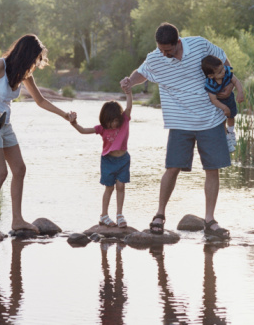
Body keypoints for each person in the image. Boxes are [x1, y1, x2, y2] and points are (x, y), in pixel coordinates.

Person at [120, 22, 231, 239]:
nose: (164, 54)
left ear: (178, 42)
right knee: (172, 168)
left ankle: (209, 220)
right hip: (180, 122)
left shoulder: (199, 45)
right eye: (161, 49)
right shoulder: (155, 57)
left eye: (168, 50)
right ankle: (160, 215)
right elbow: (142, 72)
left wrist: (228, 83)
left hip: (210, 118)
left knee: (212, 169)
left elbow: (222, 58)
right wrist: (129, 81)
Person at [0, 34, 74, 239]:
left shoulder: (24, 74)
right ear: (25, 54)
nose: (35, 64)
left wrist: (66, 116)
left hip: (5, 125)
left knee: (19, 168)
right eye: (35, 59)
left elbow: (41, 101)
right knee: (0, 173)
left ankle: (17, 220)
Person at [68, 89, 133, 228]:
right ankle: (104, 215)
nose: (113, 124)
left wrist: (128, 92)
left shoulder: (124, 121)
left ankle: (120, 215)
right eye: (110, 121)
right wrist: (74, 123)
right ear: (104, 120)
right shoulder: (102, 128)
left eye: (115, 121)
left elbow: (128, 107)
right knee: (109, 187)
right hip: (108, 161)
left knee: (121, 186)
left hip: (123, 160)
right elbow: (83, 130)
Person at [201, 55, 245, 152]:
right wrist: (224, 108)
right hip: (218, 104)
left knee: (232, 115)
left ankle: (231, 132)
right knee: (222, 121)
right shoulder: (210, 83)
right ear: (211, 76)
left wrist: (240, 92)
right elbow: (213, 100)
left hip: (229, 99)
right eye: (220, 71)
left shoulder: (227, 72)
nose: (224, 71)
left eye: (223, 68)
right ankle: (227, 139)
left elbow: (236, 81)